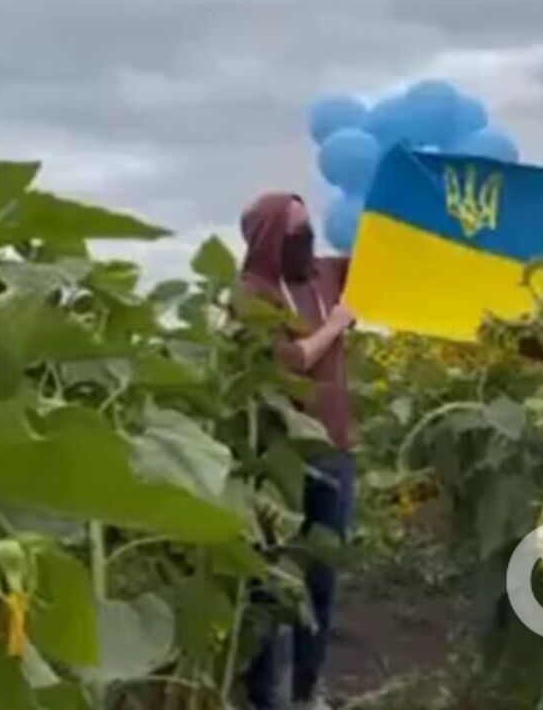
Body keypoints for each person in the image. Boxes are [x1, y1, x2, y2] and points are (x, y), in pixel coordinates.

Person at [237, 192, 358, 710]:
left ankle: (308, 692)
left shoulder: (325, 276)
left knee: (322, 574)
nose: (306, 236)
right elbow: (287, 361)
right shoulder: (250, 293)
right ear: (269, 239)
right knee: (269, 578)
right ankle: (265, 697)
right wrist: (334, 327)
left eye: (308, 225)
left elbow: (381, 261)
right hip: (277, 455)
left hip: (332, 447)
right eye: (295, 228)